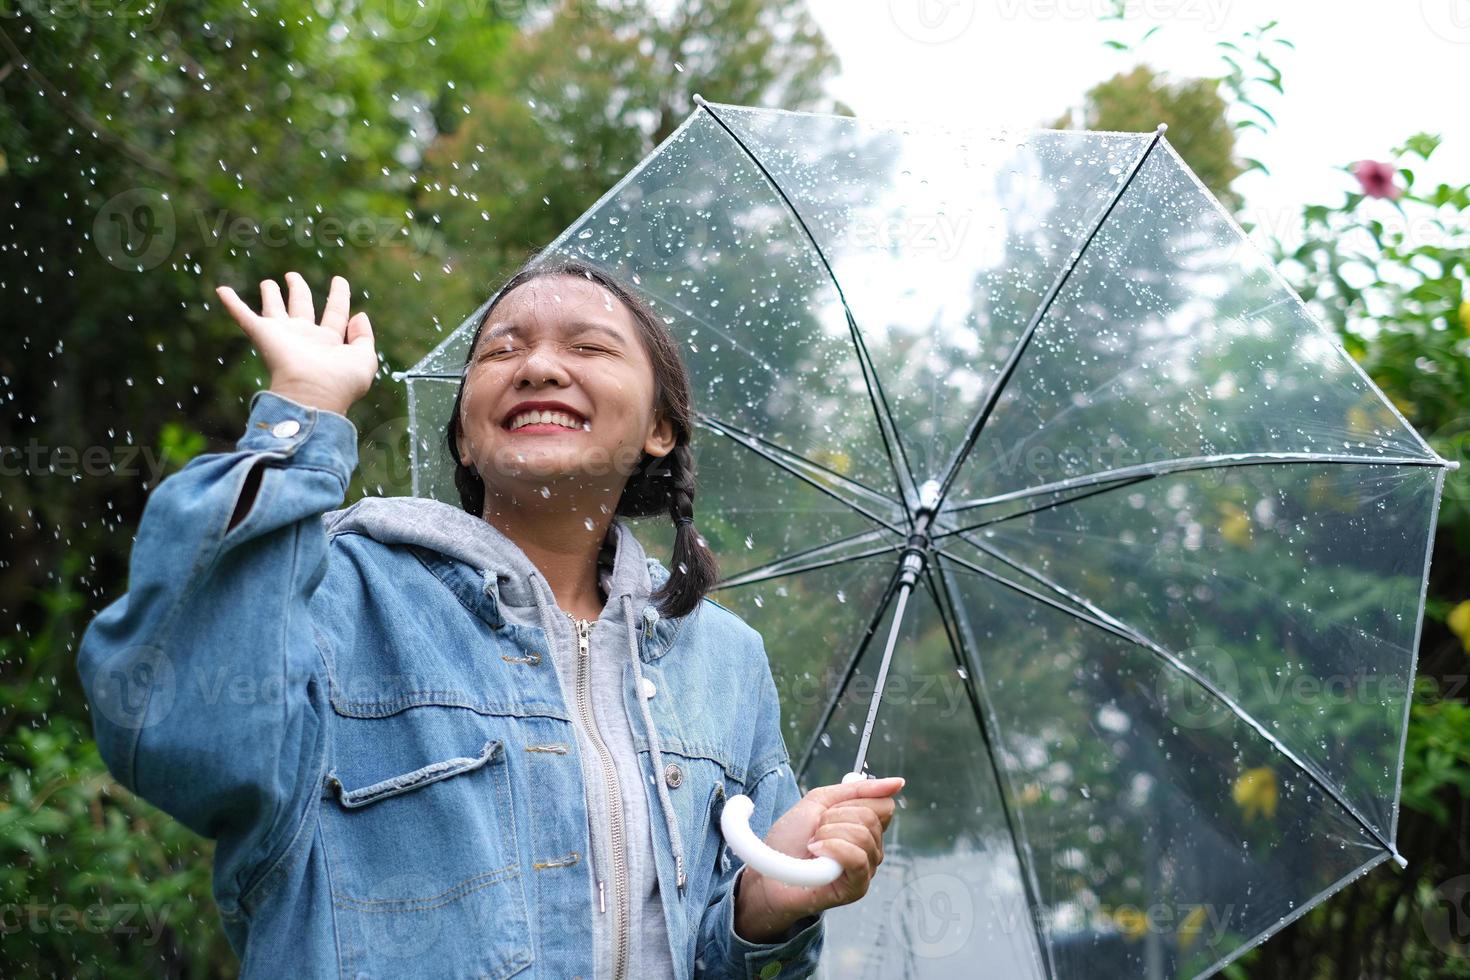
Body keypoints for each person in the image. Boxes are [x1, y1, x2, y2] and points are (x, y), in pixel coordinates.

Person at [75, 253, 904, 979]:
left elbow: (720, 962)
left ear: (659, 428)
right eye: (502, 348)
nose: (539, 366)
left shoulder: (726, 659)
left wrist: (763, 906)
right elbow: (169, 724)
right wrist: (302, 416)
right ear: (466, 440)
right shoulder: (336, 590)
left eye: (588, 346)